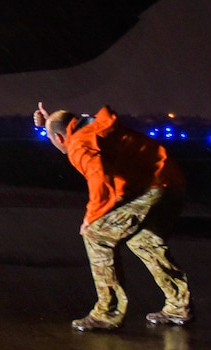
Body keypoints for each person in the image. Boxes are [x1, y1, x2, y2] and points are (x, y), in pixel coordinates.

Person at [35, 102, 192, 331]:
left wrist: (90, 219)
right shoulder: (91, 129)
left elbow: (100, 183)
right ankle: (180, 306)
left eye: (51, 138)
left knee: (96, 235)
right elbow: (65, 130)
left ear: (59, 138)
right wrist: (50, 123)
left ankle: (107, 313)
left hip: (152, 189)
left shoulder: (80, 145)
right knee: (144, 242)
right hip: (171, 184)